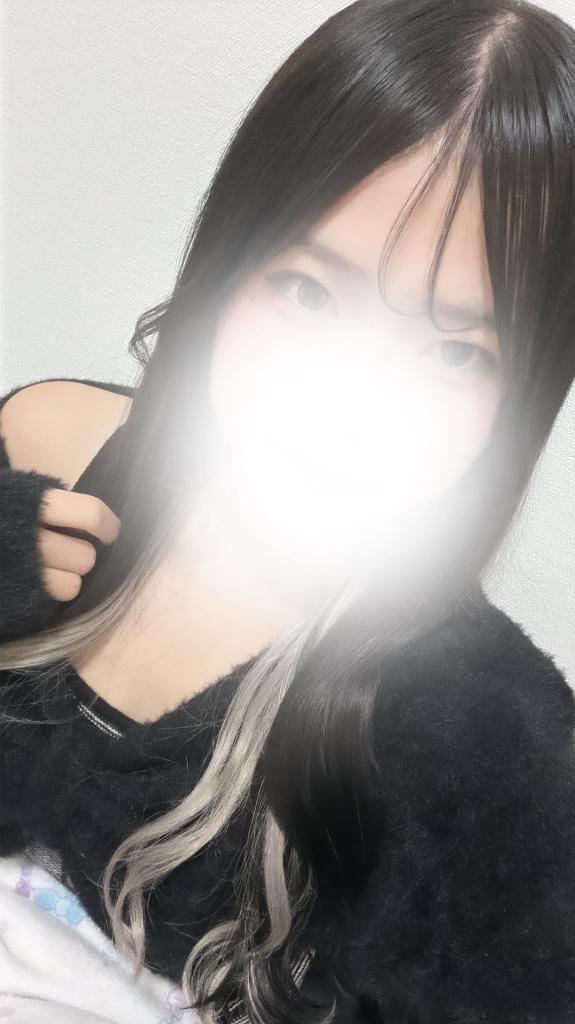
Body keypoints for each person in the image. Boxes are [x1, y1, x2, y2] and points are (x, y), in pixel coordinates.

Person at [1, 0, 575, 1020]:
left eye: (453, 351)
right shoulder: (47, 446)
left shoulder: (488, 749)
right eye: (310, 293)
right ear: (232, 256)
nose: (352, 405)